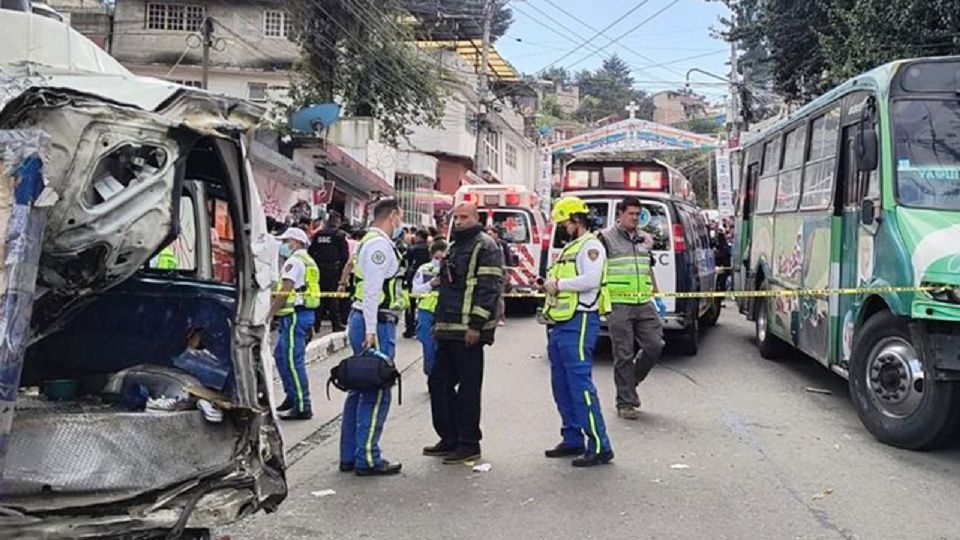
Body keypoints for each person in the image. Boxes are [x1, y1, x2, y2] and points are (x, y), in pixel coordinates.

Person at [423, 203, 503, 464]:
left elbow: (488, 288)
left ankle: (468, 444)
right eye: (455, 217)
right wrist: (438, 321)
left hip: (468, 331)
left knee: (468, 390)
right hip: (447, 328)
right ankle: (449, 438)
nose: (458, 221)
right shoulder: (455, 246)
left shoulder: (486, 246)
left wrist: (476, 326)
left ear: (476, 218)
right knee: (438, 383)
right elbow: (448, 287)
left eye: (464, 217)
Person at [542, 196, 614, 467]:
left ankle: (599, 444)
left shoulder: (591, 246)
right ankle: (572, 438)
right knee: (561, 384)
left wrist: (558, 284)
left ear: (576, 220)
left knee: (580, 384)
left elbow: (591, 280)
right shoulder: (572, 246)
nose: (563, 227)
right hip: (561, 321)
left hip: (581, 319)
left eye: (564, 222)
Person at [339, 199, 406, 476]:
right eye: (399, 218)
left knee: (360, 387)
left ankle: (351, 455)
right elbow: (373, 291)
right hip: (376, 323)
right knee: (377, 389)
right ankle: (368, 457)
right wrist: (370, 331)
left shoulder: (367, 242)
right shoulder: (379, 245)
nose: (400, 224)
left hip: (368, 320)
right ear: (392, 216)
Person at [599, 197, 665, 420]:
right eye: (631, 214)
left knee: (655, 345)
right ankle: (625, 402)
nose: (635, 218)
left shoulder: (644, 240)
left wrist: (657, 295)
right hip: (619, 304)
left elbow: (648, 269)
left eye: (638, 214)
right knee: (623, 354)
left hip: (644, 303)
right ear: (620, 214)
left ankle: (632, 381)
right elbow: (595, 270)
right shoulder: (605, 239)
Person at [268, 227, 320, 421]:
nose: (284, 246)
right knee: (281, 356)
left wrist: (270, 314)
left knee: (292, 360)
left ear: (296, 242)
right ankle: (292, 396)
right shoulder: (309, 261)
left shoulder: (295, 261)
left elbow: (286, 290)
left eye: (286, 242)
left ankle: (302, 405)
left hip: (295, 316)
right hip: (303, 314)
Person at [309, 210, 349, 332]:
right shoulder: (339, 235)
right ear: (338, 222)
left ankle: (316, 325)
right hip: (334, 270)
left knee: (319, 297)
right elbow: (344, 256)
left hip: (319, 269)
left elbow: (311, 252)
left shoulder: (319, 234)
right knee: (333, 298)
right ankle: (336, 324)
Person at [411, 240, 446, 376]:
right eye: (436, 258)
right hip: (426, 311)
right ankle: (430, 374)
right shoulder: (424, 269)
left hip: (444, 311)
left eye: (441, 258)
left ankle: (442, 377)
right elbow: (416, 290)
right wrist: (431, 284)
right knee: (428, 346)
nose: (438, 261)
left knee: (443, 348)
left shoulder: (452, 270)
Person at [403, 230, 431, 338]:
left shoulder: (412, 249)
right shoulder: (429, 249)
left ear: (419, 237)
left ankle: (410, 329)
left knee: (410, 304)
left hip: (412, 277)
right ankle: (422, 327)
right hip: (426, 278)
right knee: (424, 304)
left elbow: (407, 263)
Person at [486, 225, 512, 327]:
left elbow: (508, 259)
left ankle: (500, 317)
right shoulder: (484, 245)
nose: (489, 236)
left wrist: (508, 273)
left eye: (490, 234)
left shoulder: (502, 245)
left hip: (500, 273)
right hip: (488, 273)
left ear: (496, 234)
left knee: (499, 297)